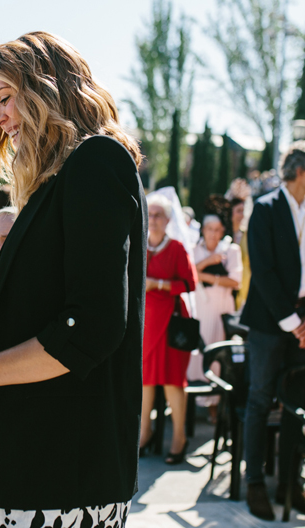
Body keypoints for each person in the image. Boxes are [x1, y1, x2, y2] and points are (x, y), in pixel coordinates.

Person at [0, 32, 145, 527]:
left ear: (49, 88)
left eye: (6, 97)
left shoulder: (96, 160)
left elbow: (90, 328)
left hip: (61, 475)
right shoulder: (62, 176)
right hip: (37, 465)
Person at [239, 141, 305, 520]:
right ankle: (255, 483)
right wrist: (293, 324)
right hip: (269, 324)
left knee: (296, 404)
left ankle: (290, 483)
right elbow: (262, 271)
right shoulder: (264, 208)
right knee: (260, 401)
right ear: (299, 170)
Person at [140, 194, 197, 465]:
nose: (153, 220)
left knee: (174, 380)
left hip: (172, 322)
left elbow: (189, 284)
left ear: (168, 219)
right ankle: (144, 432)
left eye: (158, 215)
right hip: (146, 322)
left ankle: (178, 437)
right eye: (149, 214)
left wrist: (159, 284)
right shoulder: (139, 246)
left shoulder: (176, 248)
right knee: (146, 379)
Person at [188, 214, 242, 417]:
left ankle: (214, 407)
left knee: (217, 352)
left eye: (217, 229)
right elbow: (187, 274)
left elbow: (235, 281)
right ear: (203, 230)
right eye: (210, 229)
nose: (213, 233)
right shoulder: (194, 249)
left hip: (220, 307)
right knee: (197, 354)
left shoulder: (231, 250)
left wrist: (204, 275)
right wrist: (208, 262)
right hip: (199, 308)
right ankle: (193, 404)